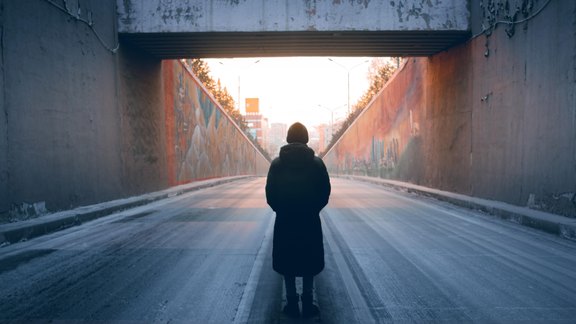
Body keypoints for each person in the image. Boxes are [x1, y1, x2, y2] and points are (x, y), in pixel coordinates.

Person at [265, 122, 331, 318]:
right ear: (306, 139)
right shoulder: (317, 164)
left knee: (288, 260)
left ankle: (292, 302)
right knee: (308, 259)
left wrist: (282, 209)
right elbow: (325, 192)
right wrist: (313, 209)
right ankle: (308, 302)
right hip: (309, 220)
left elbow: (270, 194)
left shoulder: (277, 164)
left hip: (285, 220)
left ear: (287, 137)